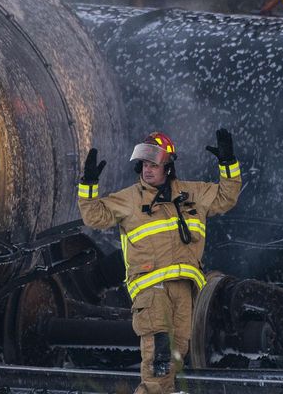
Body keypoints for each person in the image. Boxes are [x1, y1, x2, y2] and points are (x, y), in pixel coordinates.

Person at [77, 129, 241, 394]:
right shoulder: (130, 199)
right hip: (150, 288)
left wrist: (228, 163)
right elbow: (94, 216)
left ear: (168, 165)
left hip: (184, 288)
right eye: (144, 164)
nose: (147, 170)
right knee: (158, 358)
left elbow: (226, 196)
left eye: (153, 164)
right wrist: (88, 184)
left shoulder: (192, 193)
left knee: (174, 360)